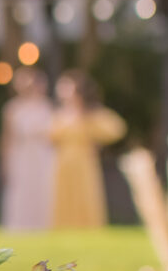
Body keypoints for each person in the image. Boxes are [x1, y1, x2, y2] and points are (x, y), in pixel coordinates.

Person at [49, 69, 127, 228]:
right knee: (65, 195)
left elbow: (116, 128)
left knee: (85, 194)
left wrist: (95, 137)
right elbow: (50, 135)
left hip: (84, 160)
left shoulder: (91, 113)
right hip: (64, 161)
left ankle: (87, 226)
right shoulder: (61, 114)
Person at [0, 65, 58, 230]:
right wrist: (5, 164)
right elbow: (7, 139)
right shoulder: (12, 109)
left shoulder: (47, 107)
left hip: (43, 156)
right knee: (20, 192)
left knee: (43, 191)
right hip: (22, 156)